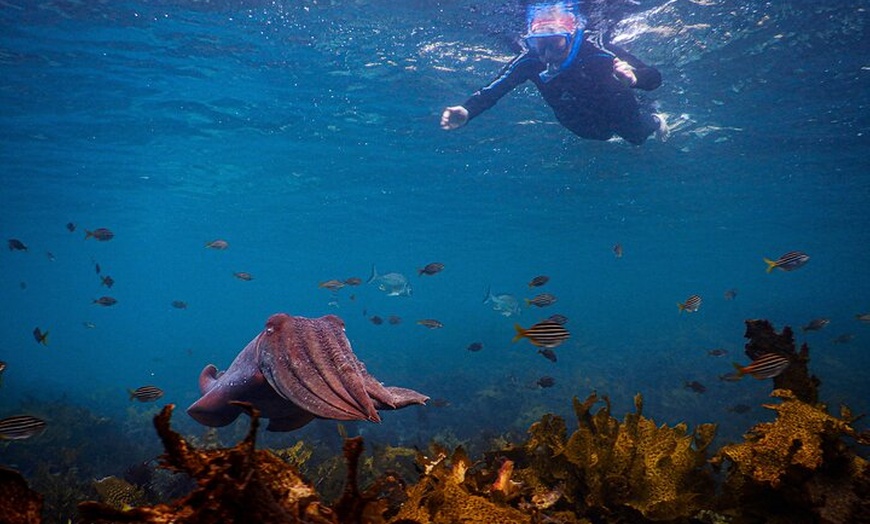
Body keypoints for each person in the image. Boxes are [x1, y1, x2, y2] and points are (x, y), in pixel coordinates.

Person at [440, 2, 668, 145]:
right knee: (596, 135)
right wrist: (468, 110)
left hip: (614, 101)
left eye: (555, 44)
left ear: (572, 36)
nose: (547, 55)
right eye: (539, 44)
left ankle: (656, 119)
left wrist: (635, 78)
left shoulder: (596, 49)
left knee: (635, 136)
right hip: (574, 112)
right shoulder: (529, 60)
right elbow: (496, 89)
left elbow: (654, 78)